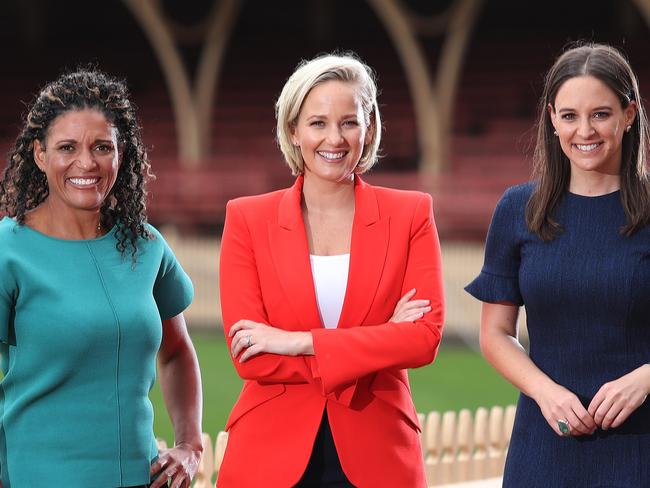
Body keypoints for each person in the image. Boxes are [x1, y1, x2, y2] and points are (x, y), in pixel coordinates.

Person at [218, 53, 445, 487]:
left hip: (379, 451)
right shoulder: (246, 218)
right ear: (293, 130)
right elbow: (251, 356)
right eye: (318, 122)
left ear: (370, 127)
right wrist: (380, 341)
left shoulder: (412, 213)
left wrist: (296, 342)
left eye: (349, 122)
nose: (334, 138)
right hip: (267, 456)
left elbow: (422, 340)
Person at [0, 69, 203, 488]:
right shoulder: (8, 248)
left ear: (121, 154)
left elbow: (178, 351)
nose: (86, 163)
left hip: (139, 477)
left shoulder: (146, 246)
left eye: (101, 147)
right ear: (40, 155)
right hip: (37, 477)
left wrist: (189, 445)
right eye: (67, 147)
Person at [466, 43, 650, 486]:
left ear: (629, 114)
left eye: (601, 114)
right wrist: (547, 394)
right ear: (552, 119)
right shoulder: (518, 209)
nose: (584, 130)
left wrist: (646, 378)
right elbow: (495, 334)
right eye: (569, 115)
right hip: (545, 442)